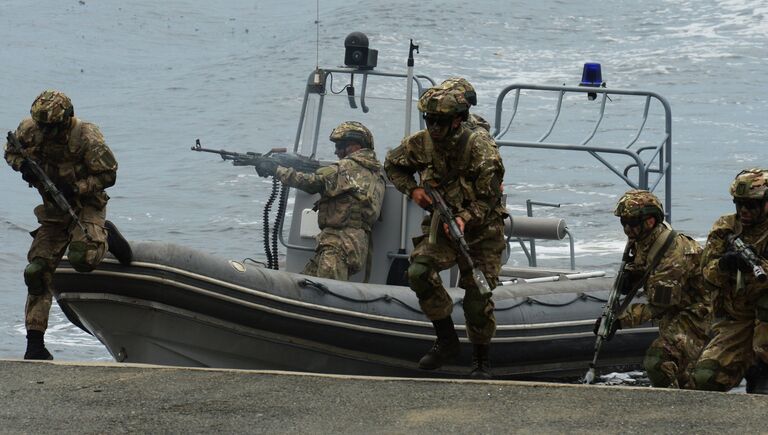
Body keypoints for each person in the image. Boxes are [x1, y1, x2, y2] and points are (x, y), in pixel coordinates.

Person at [384, 81, 506, 379]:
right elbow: (392, 165)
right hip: (443, 225)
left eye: (440, 121)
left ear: (457, 120)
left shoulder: (482, 150)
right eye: (429, 120)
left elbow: (489, 199)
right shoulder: (420, 143)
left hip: (483, 231)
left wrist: (465, 217)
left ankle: (480, 360)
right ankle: (446, 339)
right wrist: (412, 190)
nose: (433, 127)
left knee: (478, 296)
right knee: (418, 272)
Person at [4, 90, 126, 360]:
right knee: (36, 271)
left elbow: (109, 174)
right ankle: (35, 343)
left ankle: (107, 234)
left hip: (87, 204)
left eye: (51, 127)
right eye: (42, 127)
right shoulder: (29, 129)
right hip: (53, 209)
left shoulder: (87, 137)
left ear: (65, 120)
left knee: (83, 259)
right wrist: (22, 165)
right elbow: (11, 151)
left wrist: (76, 188)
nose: (46, 133)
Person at [598, 189, 711, 388]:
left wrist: (618, 320)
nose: (626, 229)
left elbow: (659, 306)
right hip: (675, 311)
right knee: (683, 374)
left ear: (650, 221)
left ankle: (670, 406)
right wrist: (632, 277)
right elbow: (643, 265)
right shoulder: (643, 239)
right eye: (623, 222)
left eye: (631, 223)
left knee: (658, 361)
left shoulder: (673, 255)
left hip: (696, 314)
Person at [255, 121, 385, 281]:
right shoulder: (373, 172)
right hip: (352, 243)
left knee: (327, 292)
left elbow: (311, 183)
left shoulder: (346, 167)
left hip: (339, 245)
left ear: (355, 146)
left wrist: (275, 170)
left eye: (340, 146)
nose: (336, 151)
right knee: (303, 285)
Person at [692, 168, 768, 393]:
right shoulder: (725, 228)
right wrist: (725, 265)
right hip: (735, 319)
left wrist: (759, 267)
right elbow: (706, 277)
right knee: (706, 378)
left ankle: (761, 367)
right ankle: (749, 365)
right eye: (739, 204)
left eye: (751, 205)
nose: (744, 210)